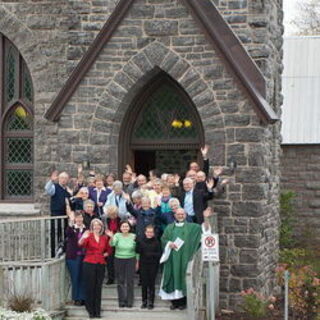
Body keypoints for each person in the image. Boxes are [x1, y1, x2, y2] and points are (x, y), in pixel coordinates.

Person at [159, 208, 212, 310]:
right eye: (178, 214)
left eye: (182, 214)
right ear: (175, 216)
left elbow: (205, 231)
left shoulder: (193, 227)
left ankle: (183, 302)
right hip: (172, 259)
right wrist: (170, 244)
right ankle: (174, 302)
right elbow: (163, 240)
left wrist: (206, 218)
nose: (180, 216)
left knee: (183, 277)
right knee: (173, 277)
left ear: (186, 215)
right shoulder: (169, 228)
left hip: (185, 258)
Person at [79, 219, 112, 318]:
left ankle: (97, 311)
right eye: (95, 225)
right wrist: (82, 237)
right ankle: (90, 310)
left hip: (100, 263)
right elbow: (81, 244)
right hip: (89, 263)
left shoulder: (104, 238)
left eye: (99, 225)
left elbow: (109, 250)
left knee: (98, 288)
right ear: (92, 226)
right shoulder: (88, 236)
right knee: (90, 287)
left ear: (101, 227)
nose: (97, 227)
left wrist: (103, 255)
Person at [106, 221, 139, 308]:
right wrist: (112, 237)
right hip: (119, 259)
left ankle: (129, 301)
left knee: (130, 281)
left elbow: (137, 250)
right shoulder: (117, 235)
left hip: (131, 259)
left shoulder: (134, 236)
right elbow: (111, 244)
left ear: (129, 227)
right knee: (120, 281)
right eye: (123, 226)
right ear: (120, 228)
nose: (125, 228)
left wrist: (137, 261)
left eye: (126, 226)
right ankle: (121, 301)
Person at [45, 170, 72, 257]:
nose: (63, 180)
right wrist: (51, 180)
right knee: (55, 236)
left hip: (66, 217)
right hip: (56, 216)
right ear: (59, 179)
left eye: (65, 178)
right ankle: (53, 255)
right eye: (62, 178)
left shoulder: (68, 190)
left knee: (65, 236)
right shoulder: (54, 187)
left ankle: (63, 253)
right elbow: (48, 190)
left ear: (68, 180)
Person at [136, 225, 162, 309]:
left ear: (153, 233)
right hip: (143, 264)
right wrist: (137, 243)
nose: (149, 234)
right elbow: (137, 251)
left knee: (151, 284)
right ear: (145, 232)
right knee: (144, 284)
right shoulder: (141, 241)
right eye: (148, 232)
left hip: (153, 265)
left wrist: (151, 254)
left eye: (151, 232)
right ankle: (144, 301)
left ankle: (151, 302)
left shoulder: (157, 242)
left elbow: (159, 254)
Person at [65, 212, 86, 306]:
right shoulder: (72, 229)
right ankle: (76, 298)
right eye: (77, 218)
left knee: (83, 277)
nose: (79, 220)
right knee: (75, 277)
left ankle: (83, 297)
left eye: (81, 218)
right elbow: (68, 234)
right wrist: (71, 221)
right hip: (73, 257)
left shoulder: (86, 229)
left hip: (84, 256)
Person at [101, 205, 121, 285]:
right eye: (111, 215)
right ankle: (110, 278)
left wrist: (115, 235)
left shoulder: (121, 218)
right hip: (108, 242)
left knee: (119, 260)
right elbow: (102, 229)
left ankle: (120, 278)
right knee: (109, 261)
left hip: (119, 241)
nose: (113, 217)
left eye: (114, 214)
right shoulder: (104, 218)